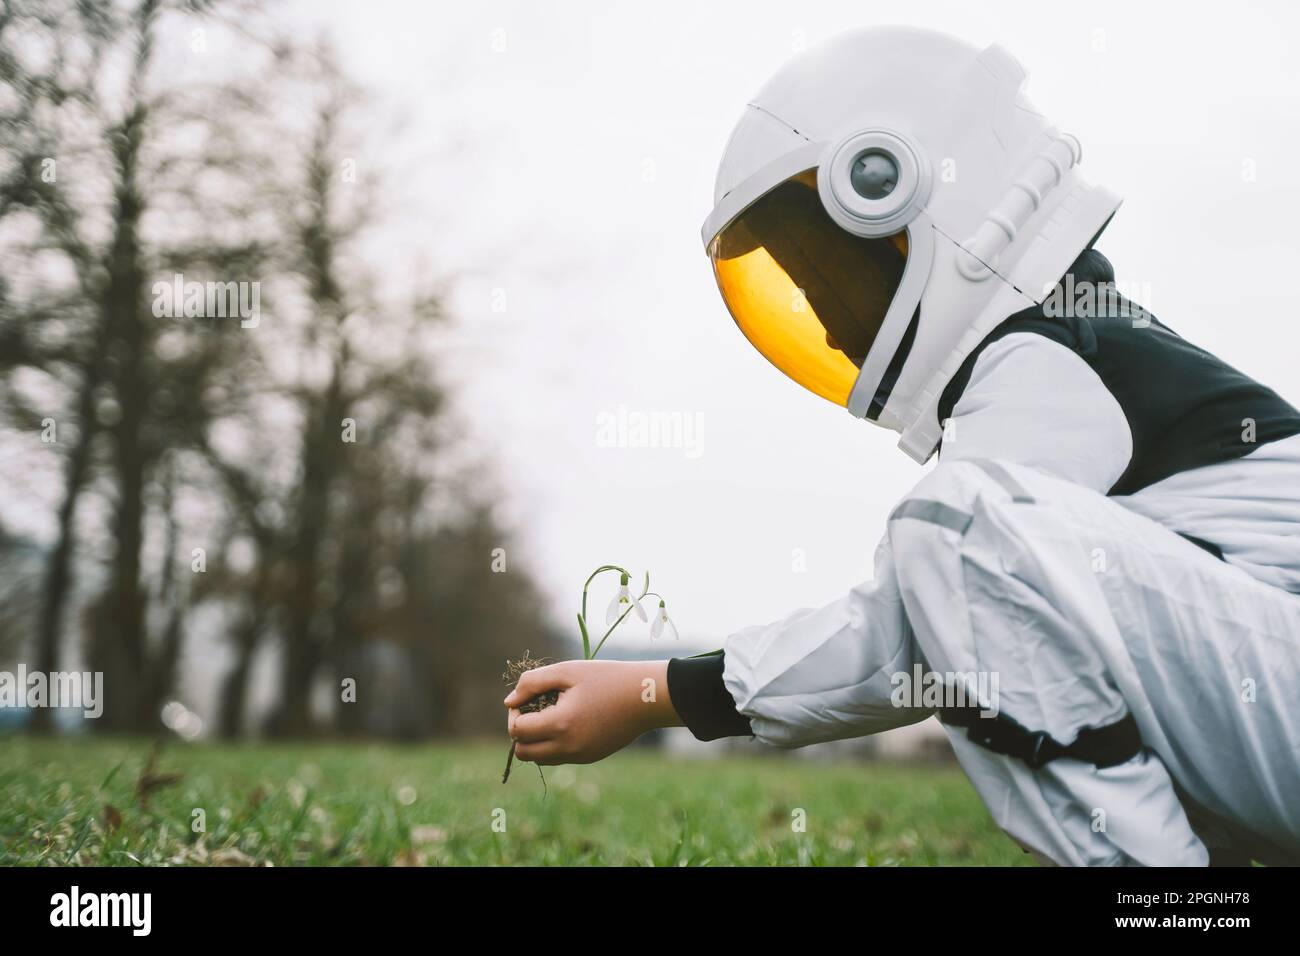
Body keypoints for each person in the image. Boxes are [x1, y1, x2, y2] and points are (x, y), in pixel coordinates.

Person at [504, 26, 1300, 866]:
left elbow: (905, 629)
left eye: (827, 276)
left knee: (953, 532)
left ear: (894, 190)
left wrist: (648, 691)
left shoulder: (1043, 358)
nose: (827, 320)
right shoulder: (1081, 342)